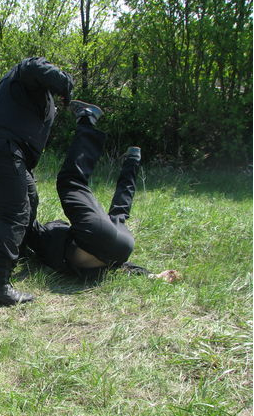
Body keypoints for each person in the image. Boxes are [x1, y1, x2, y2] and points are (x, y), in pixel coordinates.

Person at [26, 100, 180, 283]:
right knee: (71, 181)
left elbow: (25, 221)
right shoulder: (47, 237)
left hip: (123, 247)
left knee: (119, 212)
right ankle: (89, 121)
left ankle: (130, 158)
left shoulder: (44, 239)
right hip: (109, 247)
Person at [0, 57, 73, 306]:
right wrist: (66, 85)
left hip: (2, 150)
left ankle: (19, 250)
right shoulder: (26, 71)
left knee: (30, 199)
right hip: (2, 149)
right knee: (15, 213)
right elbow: (35, 66)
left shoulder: (26, 89)